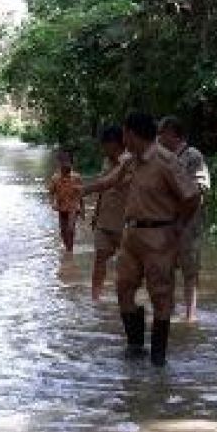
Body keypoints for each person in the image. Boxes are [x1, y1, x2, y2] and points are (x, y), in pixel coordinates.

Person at [80, 112, 200, 366]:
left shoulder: (166, 161)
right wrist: (84, 190)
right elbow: (112, 180)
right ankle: (135, 348)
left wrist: (178, 227)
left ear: (133, 134)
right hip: (131, 234)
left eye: (125, 134)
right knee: (123, 287)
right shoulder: (131, 160)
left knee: (160, 295)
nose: (123, 139)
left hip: (159, 236)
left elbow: (191, 197)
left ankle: (158, 360)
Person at [158, 116, 211, 322]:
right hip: (166, 223)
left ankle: (190, 316)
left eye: (162, 133)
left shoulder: (192, 155)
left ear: (173, 133)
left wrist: (183, 219)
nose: (159, 137)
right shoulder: (164, 156)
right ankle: (169, 311)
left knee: (190, 271)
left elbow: (201, 189)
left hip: (189, 224)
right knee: (166, 269)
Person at [80, 126, 133, 301]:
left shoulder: (130, 161)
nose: (104, 149)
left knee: (127, 265)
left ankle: (125, 299)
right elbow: (103, 191)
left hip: (125, 222)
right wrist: (95, 214)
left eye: (106, 145)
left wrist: (85, 189)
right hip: (104, 220)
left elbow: (110, 184)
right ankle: (96, 298)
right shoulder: (106, 161)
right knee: (99, 259)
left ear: (115, 143)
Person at [47, 151, 84, 253]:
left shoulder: (76, 177)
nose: (65, 165)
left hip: (73, 207)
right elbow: (51, 193)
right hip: (61, 208)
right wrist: (52, 203)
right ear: (59, 163)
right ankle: (68, 248)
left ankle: (70, 251)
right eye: (63, 163)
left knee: (70, 229)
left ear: (71, 163)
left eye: (67, 162)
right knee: (63, 232)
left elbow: (81, 194)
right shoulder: (55, 178)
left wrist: (82, 210)